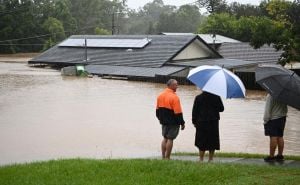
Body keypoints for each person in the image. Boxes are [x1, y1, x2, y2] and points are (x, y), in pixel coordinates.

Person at [156, 79, 185, 160]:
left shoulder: (160, 95)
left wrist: (160, 119)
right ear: (170, 86)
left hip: (164, 121)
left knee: (165, 138)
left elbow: (157, 110)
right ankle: (168, 157)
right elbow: (178, 112)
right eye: (176, 85)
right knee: (170, 139)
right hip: (173, 122)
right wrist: (182, 123)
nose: (177, 86)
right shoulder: (175, 97)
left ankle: (163, 156)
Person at [192, 91, 224, 162]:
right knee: (213, 140)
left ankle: (201, 159)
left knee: (201, 140)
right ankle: (211, 159)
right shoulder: (216, 97)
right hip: (213, 121)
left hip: (201, 121)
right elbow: (221, 109)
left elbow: (195, 110)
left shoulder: (198, 97)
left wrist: (194, 121)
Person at [263, 93, 288, 162]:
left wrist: (265, 120)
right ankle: (280, 155)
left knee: (273, 137)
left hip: (273, 119)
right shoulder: (284, 95)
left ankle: (271, 156)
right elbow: (285, 108)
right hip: (283, 118)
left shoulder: (270, 95)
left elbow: (267, 110)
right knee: (280, 136)